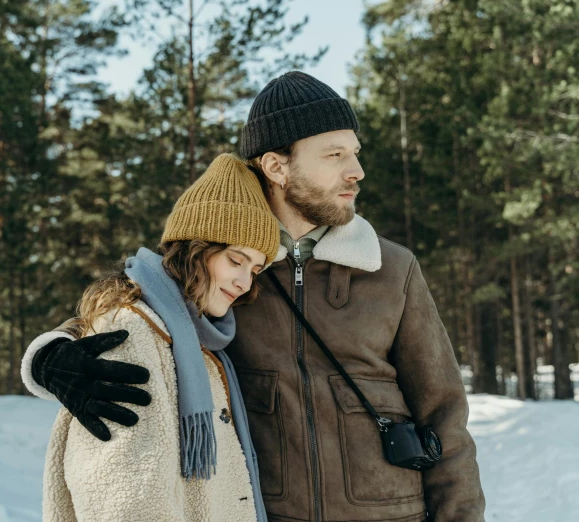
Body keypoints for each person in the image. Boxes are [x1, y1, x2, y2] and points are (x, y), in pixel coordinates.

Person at [24, 72, 485, 522]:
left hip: (392, 513)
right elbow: (133, 306)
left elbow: (444, 415)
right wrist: (51, 357)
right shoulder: (222, 260)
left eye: (355, 153)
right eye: (334, 154)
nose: (356, 171)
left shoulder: (392, 268)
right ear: (276, 166)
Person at [33, 153, 280, 522]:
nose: (244, 283)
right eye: (235, 260)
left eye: (255, 269)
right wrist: (45, 356)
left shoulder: (197, 337)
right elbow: (122, 496)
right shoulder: (133, 331)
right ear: (197, 248)